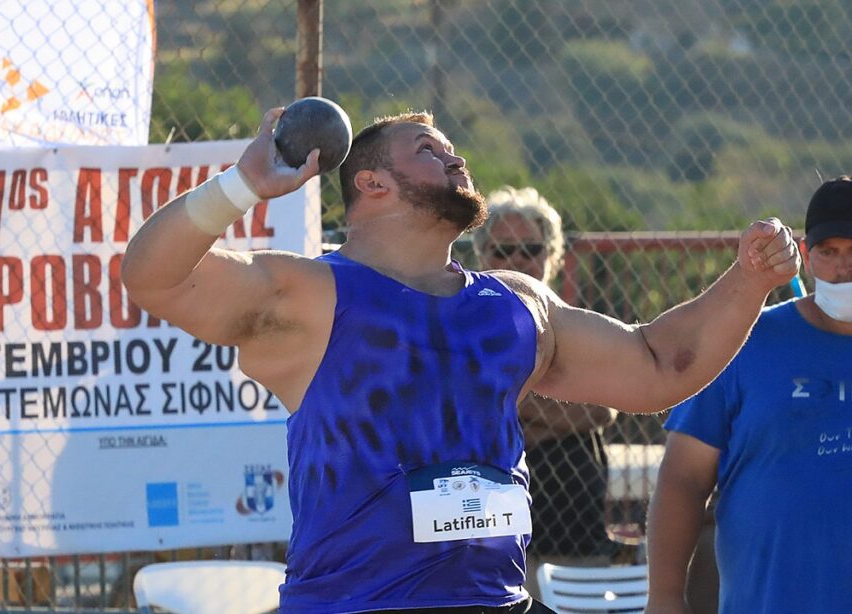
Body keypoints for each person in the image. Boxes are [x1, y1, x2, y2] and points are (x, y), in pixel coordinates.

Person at [120, 107, 799, 613]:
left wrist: (748, 281)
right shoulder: (309, 294)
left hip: (495, 601)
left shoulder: (513, 304)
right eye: (427, 150)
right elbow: (153, 277)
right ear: (373, 184)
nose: (457, 161)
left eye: (452, 150)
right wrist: (240, 186)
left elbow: (658, 367)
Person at [645, 176, 852, 614]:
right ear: (807, 257)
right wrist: (664, 597)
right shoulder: (744, 341)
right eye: (829, 252)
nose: (842, 268)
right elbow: (683, 476)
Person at [473, 186, 623, 596]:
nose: (517, 261)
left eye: (530, 249)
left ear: (551, 258)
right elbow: (469, 415)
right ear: (482, 257)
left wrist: (516, 403)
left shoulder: (580, 326)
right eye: (503, 251)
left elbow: (601, 410)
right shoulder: (465, 328)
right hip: (490, 535)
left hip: (573, 531)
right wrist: (562, 407)